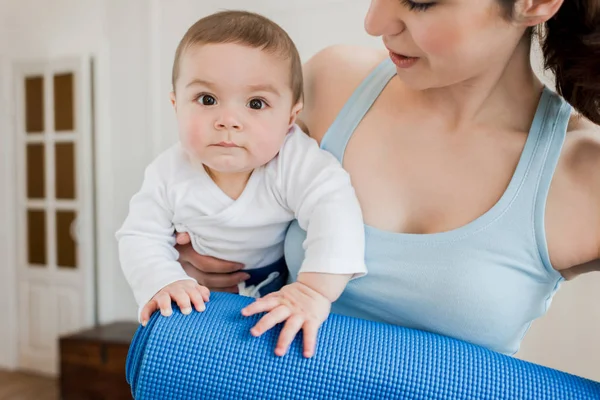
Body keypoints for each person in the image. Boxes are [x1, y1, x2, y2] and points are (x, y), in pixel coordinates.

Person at [176, 0, 600, 356]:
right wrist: (203, 263)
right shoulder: (330, 85)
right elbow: (211, 204)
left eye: (419, 0)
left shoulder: (582, 176)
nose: (374, 22)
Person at [116, 10, 367, 359]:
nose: (228, 121)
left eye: (255, 103)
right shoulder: (167, 173)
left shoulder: (293, 161)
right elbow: (139, 236)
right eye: (207, 99)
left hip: (277, 300)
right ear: (176, 105)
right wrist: (164, 280)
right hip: (201, 307)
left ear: (290, 118)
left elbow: (334, 209)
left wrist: (313, 291)